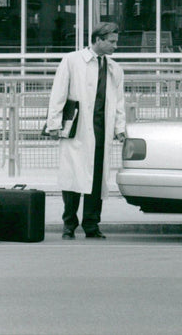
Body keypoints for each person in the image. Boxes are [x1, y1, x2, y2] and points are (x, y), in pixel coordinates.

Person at [46, 22, 127, 240]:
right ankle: (69, 224)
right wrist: (53, 124)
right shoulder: (72, 61)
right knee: (72, 178)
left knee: (97, 179)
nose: (115, 46)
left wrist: (120, 128)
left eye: (116, 41)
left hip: (101, 129)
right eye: (111, 41)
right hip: (78, 129)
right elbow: (59, 93)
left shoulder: (114, 68)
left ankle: (91, 224)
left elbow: (119, 101)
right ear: (98, 40)